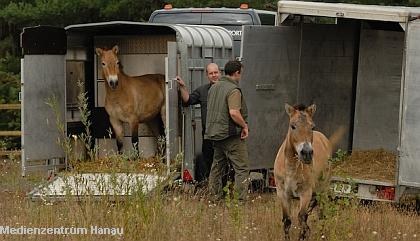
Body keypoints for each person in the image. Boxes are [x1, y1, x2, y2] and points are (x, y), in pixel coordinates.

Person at [205, 60, 250, 201]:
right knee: (242, 168)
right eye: (240, 73)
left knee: (217, 168)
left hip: (215, 135)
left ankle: (214, 198)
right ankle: (240, 202)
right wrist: (244, 126)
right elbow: (234, 112)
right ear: (237, 72)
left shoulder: (214, 87)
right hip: (230, 136)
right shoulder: (233, 90)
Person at [176, 63, 220, 184]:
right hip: (208, 135)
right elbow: (188, 100)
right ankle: (210, 187)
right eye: (211, 73)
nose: (214, 75)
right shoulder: (202, 90)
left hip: (224, 135)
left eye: (216, 72)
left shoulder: (226, 89)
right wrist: (183, 87)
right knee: (208, 161)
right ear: (207, 75)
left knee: (223, 162)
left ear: (220, 73)